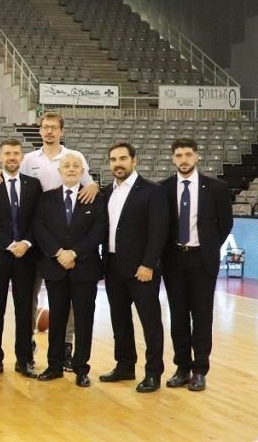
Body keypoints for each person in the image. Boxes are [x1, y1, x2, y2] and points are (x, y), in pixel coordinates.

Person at [0, 112, 95, 370]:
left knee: (66, 300)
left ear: (61, 131)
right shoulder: (28, 160)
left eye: (54, 127)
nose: (49, 131)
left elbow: (87, 187)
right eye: (45, 127)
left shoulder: (75, 157)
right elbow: (10, 176)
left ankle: (65, 346)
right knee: (29, 299)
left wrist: (94, 186)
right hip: (37, 238)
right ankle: (28, 344)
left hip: (66, 240)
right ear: (40, 130)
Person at [162, 138, 233, 392]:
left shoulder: (216, 188)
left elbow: (225, 224)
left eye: (188, 154)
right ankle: (181, 368)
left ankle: (200, 370)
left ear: (197, 156)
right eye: (179, 155)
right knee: (178, 317)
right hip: (173, 261)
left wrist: (208, 247)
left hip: (202, 260)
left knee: (202, 318)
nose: (184, 160)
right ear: (173, 158)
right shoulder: (163, 188)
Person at [32, 153, 107, 387]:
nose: (71, 169)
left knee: (84, 320)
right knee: (57, 319)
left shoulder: (95, 199)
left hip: (84, 268)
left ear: (83, 171)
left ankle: (81, 368)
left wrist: (74, 253)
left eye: (76, 166)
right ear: (60, 171)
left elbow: (99, 230)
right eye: (67, 165)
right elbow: (39, 228)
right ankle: (54, 366)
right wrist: (58, 253)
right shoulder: (46, 199)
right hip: (56, 268)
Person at [99, 141, 168, 393]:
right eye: (113, 160)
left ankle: (153, 373)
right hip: (113, 266)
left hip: (142, 269)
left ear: (134, 160)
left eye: (122, 159)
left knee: (150, 323)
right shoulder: (107, 192)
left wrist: (148, 264)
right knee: (120, 320)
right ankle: (125, 365)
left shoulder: (152, 191)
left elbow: (158, 231)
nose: (118, 164)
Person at [0, 138, 42, 379]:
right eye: (7, 153)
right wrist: (8, 243)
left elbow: (39, 219)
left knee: (24, 311)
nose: (12, 157)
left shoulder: (33, 185)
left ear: (22, 157)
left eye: (16, 153)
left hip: (26, 256)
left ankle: (24, 360)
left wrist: (26, 243)